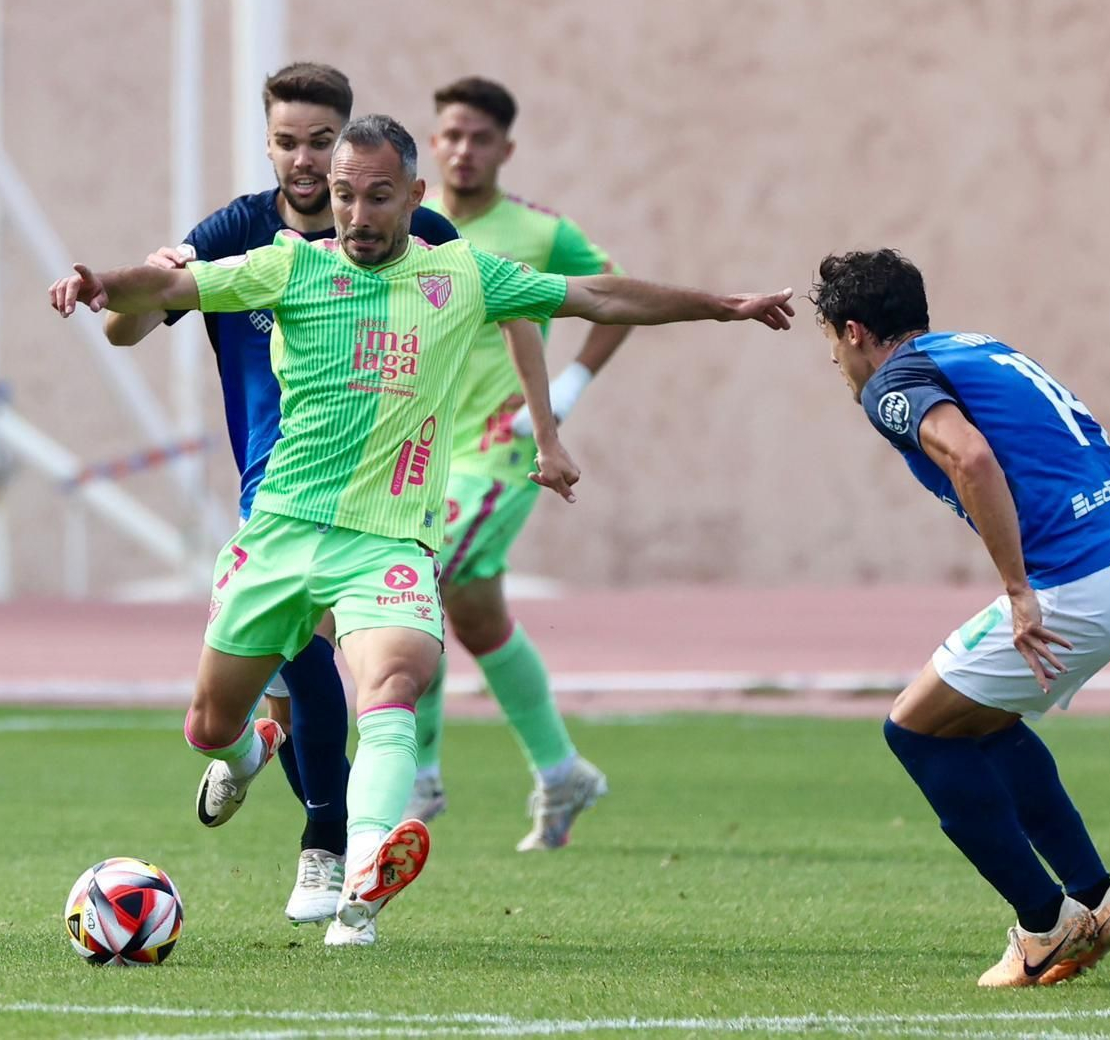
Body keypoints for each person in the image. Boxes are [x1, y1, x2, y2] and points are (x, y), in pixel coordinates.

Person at [51, 114, 794, 946]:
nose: (358, 216)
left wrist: (723, 306)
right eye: (343, 197)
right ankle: (252, 747)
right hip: (280, 537)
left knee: (394, 683)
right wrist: (99, 280)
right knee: (208, 727)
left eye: (376, 197)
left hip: (388, 543)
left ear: (413, 195)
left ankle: (364, 875)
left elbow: (602, 296)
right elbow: (175, 291)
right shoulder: (287, 266)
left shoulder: (464, 276)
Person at [100, 62, 458, 927]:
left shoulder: (423, 233)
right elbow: (128, 327)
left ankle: (329, 846)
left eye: (321, 141)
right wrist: (151, 275)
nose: (305, 160)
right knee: (275, 684)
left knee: (337, 659)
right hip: (273, 486)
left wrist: (542, 429)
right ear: (268, 147)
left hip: (371, 497)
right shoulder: (235, 232)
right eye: (288, 143)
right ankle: (268, 759)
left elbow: (504, 304)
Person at [810, 249, 1110, 987]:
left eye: (830, 346)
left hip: (1074, 580)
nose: (837, 365)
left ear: (855, 331)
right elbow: (1090, 453)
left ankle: (1044, 925)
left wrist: (1018, 590)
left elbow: (972, 461)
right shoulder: (982, 349)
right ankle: (1097, 898)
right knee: (979, 722)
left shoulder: (894, 381)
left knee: (914, 730)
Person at [407, 76, 630, 850]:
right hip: (422, 453)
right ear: (433, 144)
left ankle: (417, 777)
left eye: (479, 138)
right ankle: (562, 770)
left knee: (415, 580)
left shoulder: (538, 231)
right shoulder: (409, 225)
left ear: (506, 148)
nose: (463, 149)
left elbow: (611, 296)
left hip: (503, 453)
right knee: (476, 615)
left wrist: (565, 391)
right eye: (451, 135)